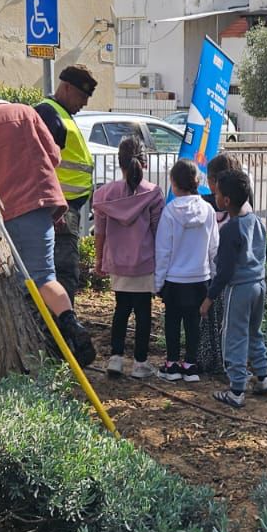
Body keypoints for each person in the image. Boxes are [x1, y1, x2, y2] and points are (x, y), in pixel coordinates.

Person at [0, 76, 95, 366]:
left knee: (9, 282)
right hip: (40, 205)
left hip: (1, 211)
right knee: (45, 276)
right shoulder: (23, 112)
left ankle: (30, 349)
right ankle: (71, 323)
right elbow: (53, 156)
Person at [200, 168, 267, 409]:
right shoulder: (256, 220)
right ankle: (262, 377)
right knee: (254, 331)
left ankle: (236, 389)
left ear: (227, 200)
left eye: (217, 193)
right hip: (258, 285)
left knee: (233, 335)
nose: (215, 197)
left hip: (239, 289)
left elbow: (225, 271)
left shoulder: (231, 229)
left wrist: (209, 298)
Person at [93, 135, 164, 380]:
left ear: (119, 162)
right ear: (144, 162)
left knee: (121, 309)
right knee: (143, 313)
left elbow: (100, 233)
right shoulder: (153, 193)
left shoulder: (104, 195)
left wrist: (98, 261)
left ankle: (115, 358)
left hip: (117, 262)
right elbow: (158, 232)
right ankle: (140, 363)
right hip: (145, 262)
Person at [35, 65, 97, 305]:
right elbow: (40, 166)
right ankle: (63, 327)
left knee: (64, 271)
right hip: (60, 209)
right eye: (82, 96)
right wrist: (54, 206)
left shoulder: (60, 114)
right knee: (64, 271)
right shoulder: (50, 114)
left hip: (65, 207)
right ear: (67, 87)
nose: (85, 103)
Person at [155, 158, 219, 382]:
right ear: (197, 181)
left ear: (174, 183)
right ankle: (191, 365)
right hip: (200, 277)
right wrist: (213, 276)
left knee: (172, 321)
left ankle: (172, 364)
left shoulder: (170, 211)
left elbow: (163, 250)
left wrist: (158, 282)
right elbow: (214, 248)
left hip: (174, 278)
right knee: (193, 322)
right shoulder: (208, 210)